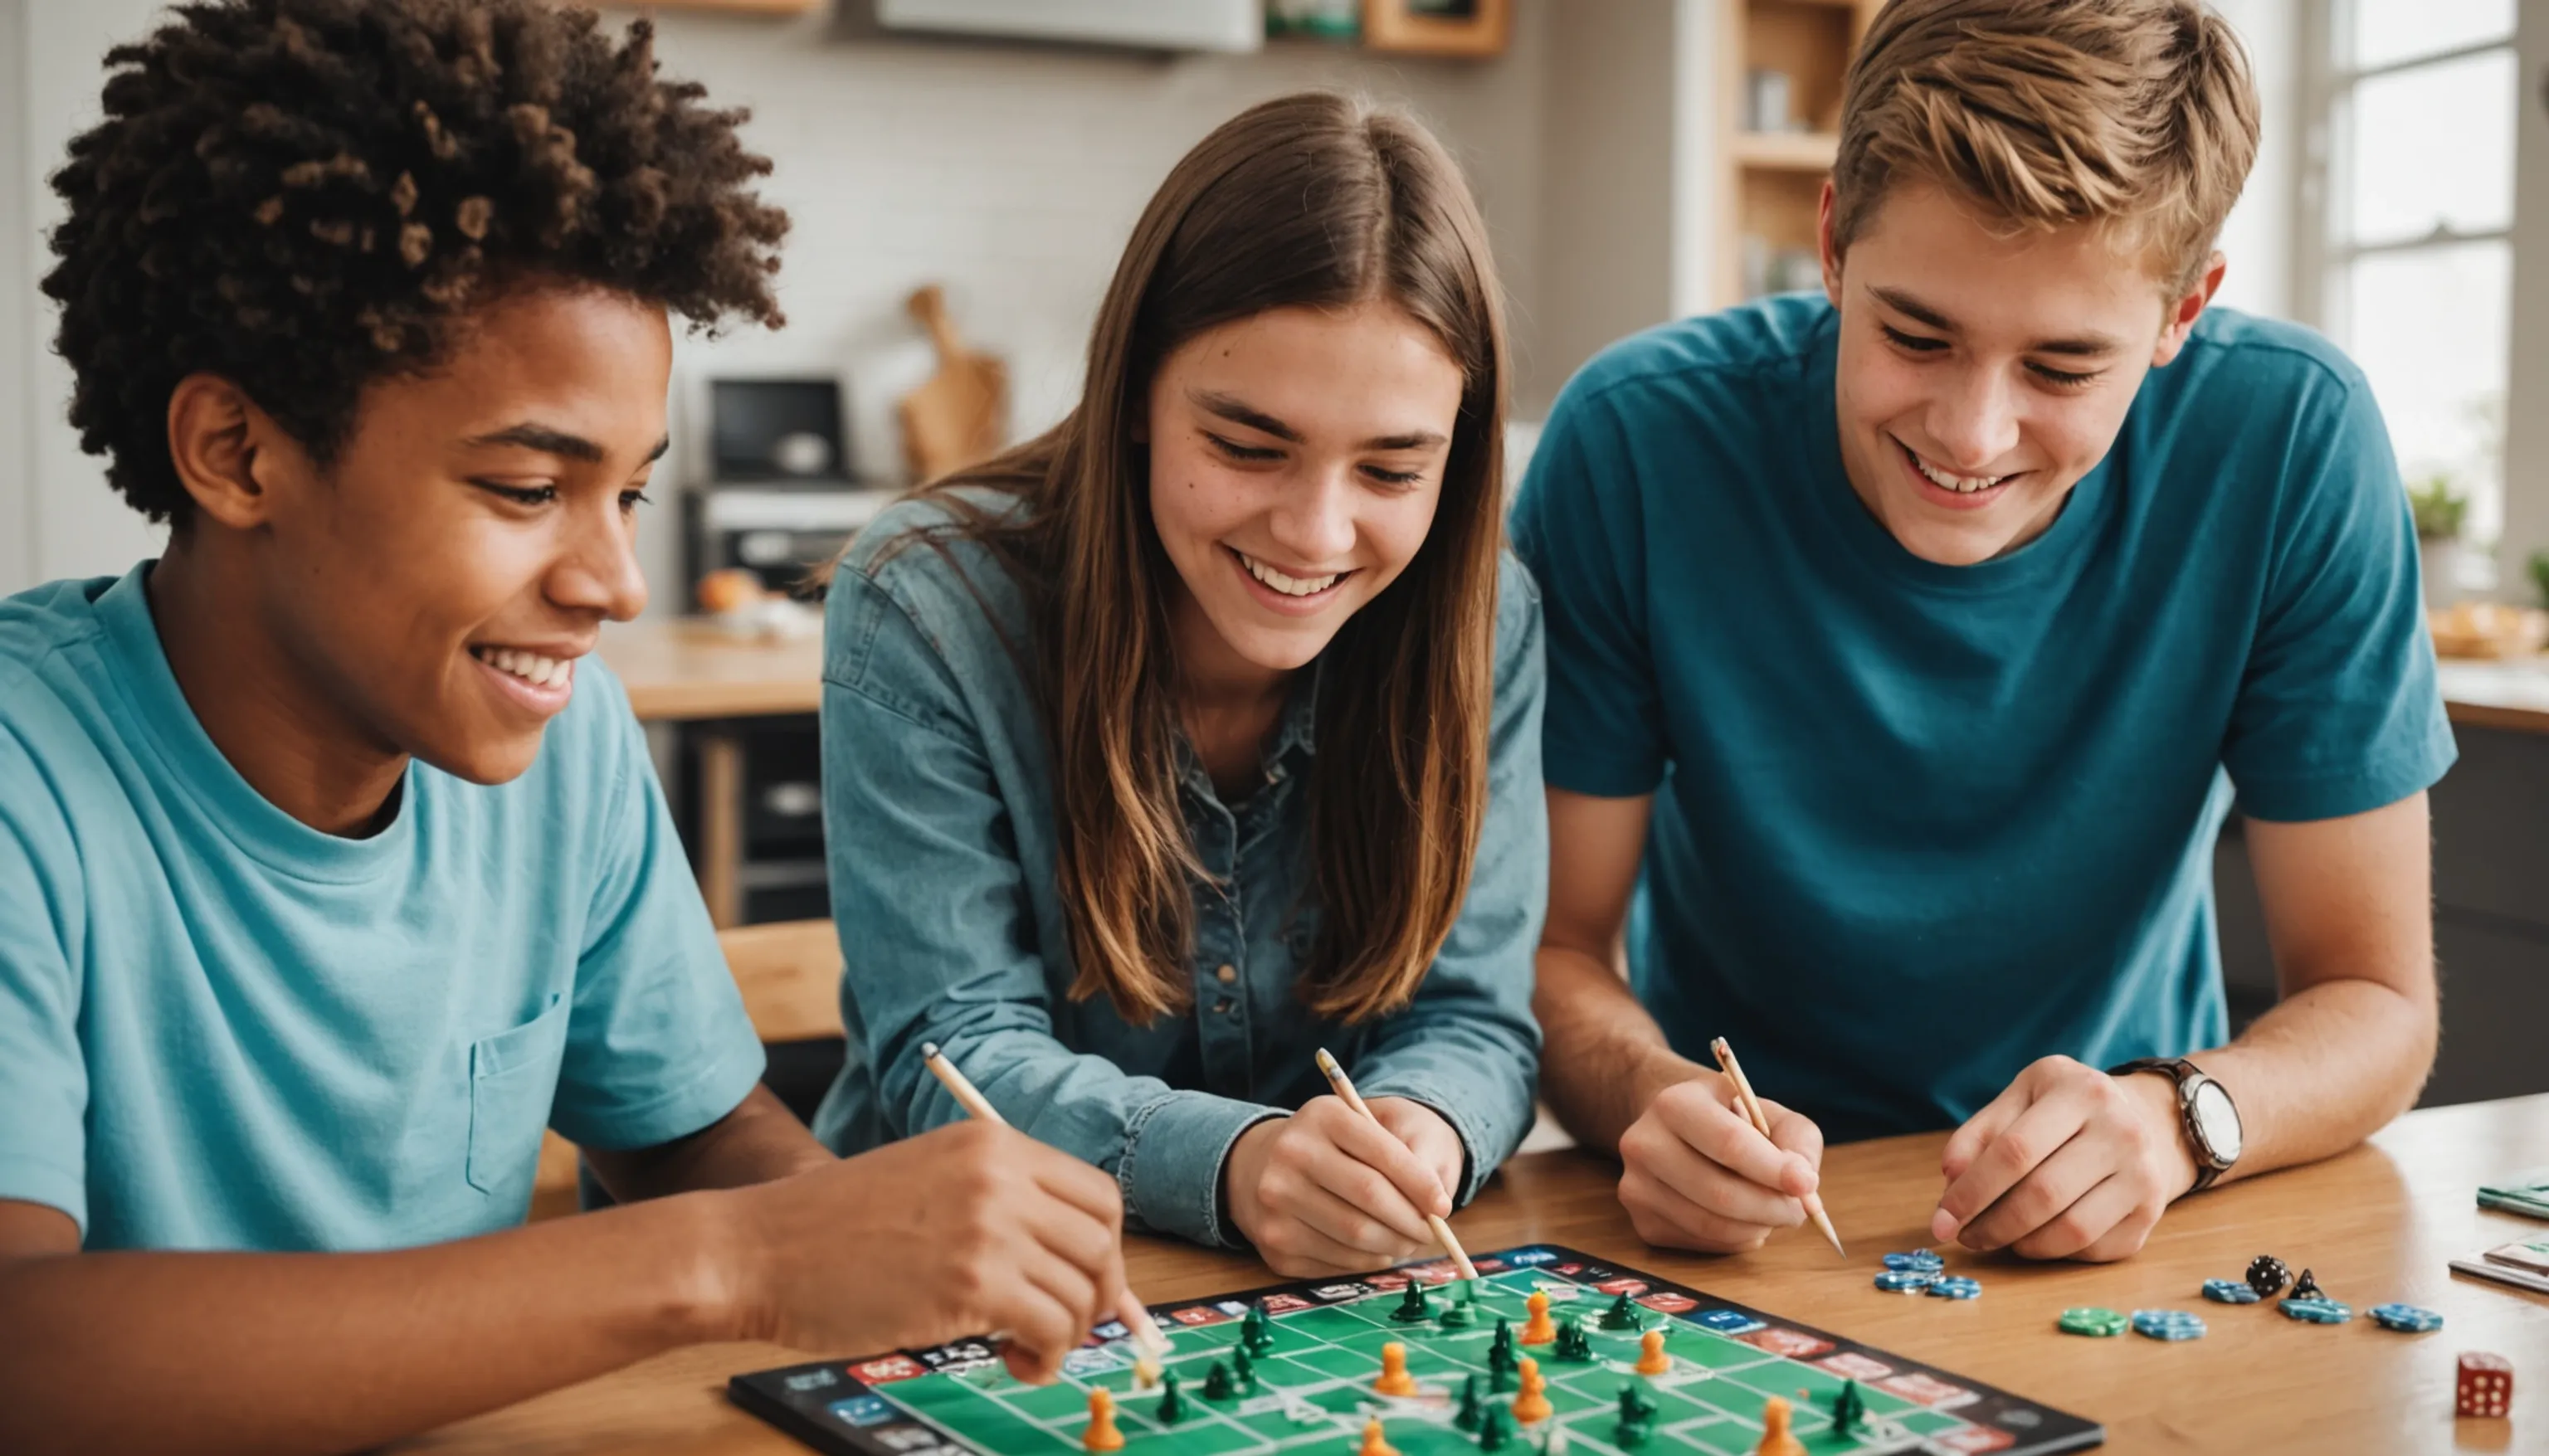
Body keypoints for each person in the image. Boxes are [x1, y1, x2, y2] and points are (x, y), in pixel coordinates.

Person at [0, 6, 1128, 1453]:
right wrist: (745, 1262)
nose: (613, 584)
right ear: (238, 452)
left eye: (631, 492)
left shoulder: (555, 742)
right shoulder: (31, 776)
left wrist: (882, 1235)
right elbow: (22, 1349)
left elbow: (690, 1136)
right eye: (530, 489)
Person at [1515, 0, 2449, 1264]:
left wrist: (2179, 1120)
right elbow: (1556, 945)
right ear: (1833, 239)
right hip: (1752, 1240)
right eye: (1916, 334)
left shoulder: (2292, 442)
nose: (1972, 435)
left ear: (2184, 310)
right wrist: (1644, 1095)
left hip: (2143, 1219)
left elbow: (2379, 1001)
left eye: (2062, 368)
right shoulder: (1635, 444)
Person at [813, 92, 1546, 1278]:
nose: (1315, 532)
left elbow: (1474, 1015)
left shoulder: (1487, 616)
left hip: (1329, 1309)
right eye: (1249, 447)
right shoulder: (926, 603)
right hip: (959, 1285)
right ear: (1139, 394)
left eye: (1393, 468)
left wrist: (1425, 1133)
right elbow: (948, 1053)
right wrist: (1238, 1163)